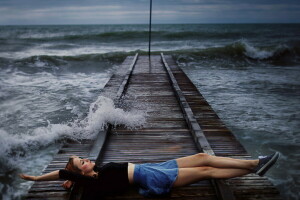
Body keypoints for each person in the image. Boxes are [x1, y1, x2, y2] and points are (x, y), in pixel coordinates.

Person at [20, 152, 279, 198]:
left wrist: (72, 179)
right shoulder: (94, 180)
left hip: (155, 166)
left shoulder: (96, 171)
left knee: (202, 157)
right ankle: (255, 165)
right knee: (206, 171)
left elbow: (68, 174)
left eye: (84, 158)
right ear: (80, 174)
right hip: (153, 177)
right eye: (82, 162)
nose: (87, 160)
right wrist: (34, 179)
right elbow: (63, 172)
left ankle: (254, 164)